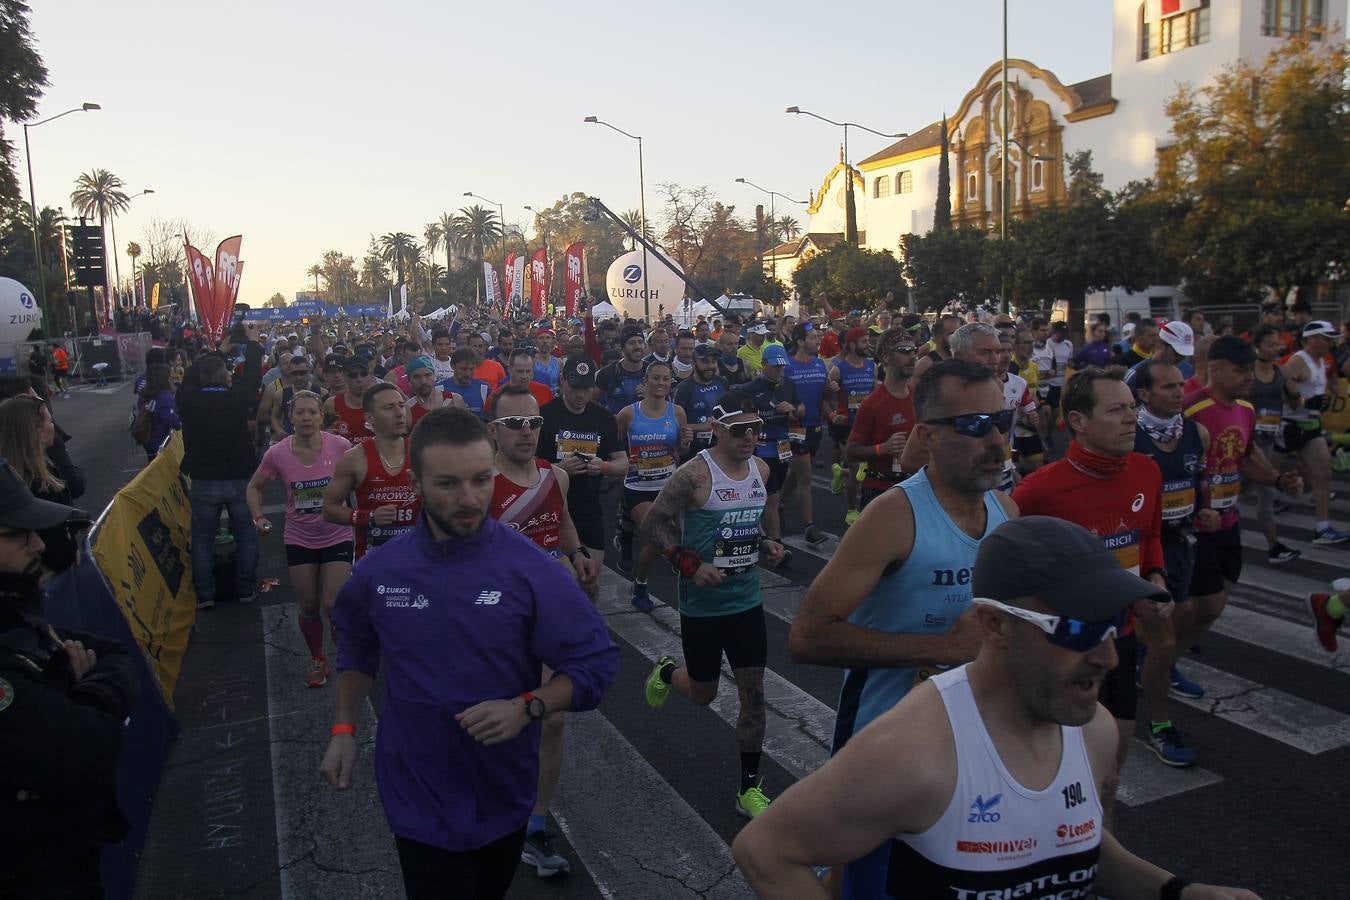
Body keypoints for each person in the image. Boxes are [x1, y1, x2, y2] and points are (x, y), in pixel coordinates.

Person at [736, 518, 1261, 900]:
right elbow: (766, 851)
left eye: (1112, 625)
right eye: (1076, 630)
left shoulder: (1094, 728)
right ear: (994, 626)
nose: (1107, 656)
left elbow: (1067, 846)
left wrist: (1179, 891)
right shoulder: (912, 753)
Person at [319, 407, 618, 900]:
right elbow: (357, 643)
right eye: (448, 484)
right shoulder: (379, 571)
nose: (470, 499)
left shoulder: (530, 569)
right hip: (417, 787)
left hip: (501, 789)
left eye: (482, 480)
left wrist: (528, 707)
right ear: (415, 483)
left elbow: (596, 664)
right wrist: (344, 728)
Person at [789, 359, 1016, 899]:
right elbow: (808, 637)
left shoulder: (1008, 512)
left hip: (972, 747)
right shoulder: (894, 517)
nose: (997, 439)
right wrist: (941, 648)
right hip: (883, 750)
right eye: (974, 425)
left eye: (1003, 420)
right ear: (929, 437)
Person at [1012, 368, 1170, 824]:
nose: (1131, 419)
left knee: (1109, 775)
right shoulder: (1040, 489)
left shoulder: (1146, 470)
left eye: (1132, 408)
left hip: (1118, 640)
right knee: (1052, 773)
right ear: (1078, 421)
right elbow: (1002, 561)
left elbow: (1150, 535)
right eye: (1117, 409)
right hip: (1061, 648)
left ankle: (1093, 860)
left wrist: (1155, 575)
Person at [640, 391, 785, 818]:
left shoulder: (761, 467)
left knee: (754, 695)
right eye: (740, 430)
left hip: (746, 600)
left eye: (756, 429)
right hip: (702, 604)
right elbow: (653, 524)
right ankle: (668, 670)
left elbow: (745, 521)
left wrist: (767, 544)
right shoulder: (693, 475)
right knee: (704, 694)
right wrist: (688, 563)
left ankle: (747, 788)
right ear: (718, 430)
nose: (750, 438)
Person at [0, 465, 139, 899]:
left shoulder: (14, 615)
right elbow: (87, 747)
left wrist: (73, 694)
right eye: (17, 533)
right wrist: (76, 689)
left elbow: (116, 655)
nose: (37, 543)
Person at [488, 385, 601, 879]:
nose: (526, 433)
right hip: (494, 620)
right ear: (493, 429)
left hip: (550, 613)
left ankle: (534, 825)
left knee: (551, 718)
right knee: (495, 722)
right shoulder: (479, 483)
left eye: (533, 424)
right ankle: (493, 812)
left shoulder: (555, 475)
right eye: (514, 424)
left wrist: (576, 555)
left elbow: (565, 523)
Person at [1179, 336, 1302, 700]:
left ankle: (1165, 653)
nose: (1249, 376)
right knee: (1207, 602)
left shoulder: (1245, 409)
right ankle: (1157, 656)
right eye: (1240, 370)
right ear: (1215, 369)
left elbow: (1246, 459)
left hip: (1229, 521)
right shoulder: (1190, 409)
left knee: (1215, 603)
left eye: (1250, 369)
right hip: (1195, 525)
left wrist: (1279, 479)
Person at [1131, 360, 1214, 767]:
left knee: (1170, 633)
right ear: (1144, 394)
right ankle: (1159, 726)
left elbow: (1199, 482)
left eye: (1180, 385)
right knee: (1161, 641)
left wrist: (1205, 511)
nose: (1179, 392)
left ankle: (1150, 670)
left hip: (1181, 545)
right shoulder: (1129, 436)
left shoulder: (1197, 433)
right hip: (1140, 552)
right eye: (1167, 387)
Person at [247, 391, 353, 687]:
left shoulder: (341, 446)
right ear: (290, 417)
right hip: (300, 537)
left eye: (312, 413)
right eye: (300, 413)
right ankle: (318, 657)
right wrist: (259, 517)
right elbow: (254, 487)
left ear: (322, 417)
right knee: (308, 605)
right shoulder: (278, 453)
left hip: (337, 533)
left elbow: (360, 479)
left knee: (333, 603)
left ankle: (344, 649)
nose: (306, 418)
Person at [179, 333, 263, 608]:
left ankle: (205, 595)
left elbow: (188, 381)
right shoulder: (237, 396)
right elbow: (253, 375)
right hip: (238, 476)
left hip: (204, 478)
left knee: (202, 537)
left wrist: (216, 353)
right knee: (246, 533)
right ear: (226, 377)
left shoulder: (189, 399)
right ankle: (246, 589)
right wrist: (250, 343)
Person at [536, 356, 628, 564]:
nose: (580, 394)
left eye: (586, 388)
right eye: (575, 387)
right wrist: (558, 469)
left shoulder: (603, 418)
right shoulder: (544, 416)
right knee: (561, 581)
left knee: (590, 582)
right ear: (562, 381)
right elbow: (524, 468)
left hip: (590, 509)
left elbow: (623, 464)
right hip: (551, 512)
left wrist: (603, 466)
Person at [617, 360, 690, 607]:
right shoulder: (628, 413)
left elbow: (680, 450)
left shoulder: (677, 412)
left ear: (671, 383)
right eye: (656, 378)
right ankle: (641, 585)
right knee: (659, 535)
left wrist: (686, 442)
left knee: (677, 535)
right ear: (645, 382)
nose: (661, 383)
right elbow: (615, 448)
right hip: (638, 489)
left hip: (668, 486)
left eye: (666, 379)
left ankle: (640, 580)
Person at [322, 383, 421, 563]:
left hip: (416, 558)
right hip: (372, 560)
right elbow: (329, 509)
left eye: (401, 405)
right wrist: (368, 517)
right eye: (389, 408)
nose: (399, 413)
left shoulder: (420, 452)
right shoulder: (354, 458)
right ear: (370, 417)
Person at [1277, 320, 1350, 544]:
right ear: (1311, 339)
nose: (1330, 342)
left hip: (1311, 427)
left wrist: (1321, 402)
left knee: (1324, 474)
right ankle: (1224, 507)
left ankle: (1323, 528)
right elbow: (1280, 390)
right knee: (1259, 477)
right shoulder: (1299, 360)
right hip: (1289, 427)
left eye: (1331, 338)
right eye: (1326, 338)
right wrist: (1306, 402)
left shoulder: (1323, 361)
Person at [0, 396, 84, 574]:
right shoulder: (37, 483)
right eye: (50, 421)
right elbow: (57, 549)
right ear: (37, 432)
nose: (53, 426)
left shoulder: (13, 478)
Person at [846, 327, 919, 514]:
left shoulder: (919, 398)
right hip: (880, 489)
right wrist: (882, 448)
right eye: (904, 351)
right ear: (886, 357)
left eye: (914, 350)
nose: (912, 356)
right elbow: (852, 452)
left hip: (913, 486)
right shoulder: (872, 404)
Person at [1248, 326, 1303, 564]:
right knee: (1243, 490)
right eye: (1270, 344)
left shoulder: (1281, 370)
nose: (1275, 348)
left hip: (1268, 438)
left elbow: (1296, 403)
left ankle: (1274, 546)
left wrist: (1293, 392)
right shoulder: (1247, 371)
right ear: (1257, 346)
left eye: (1277, 344)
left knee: (1265, 491)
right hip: (1246, 439)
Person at [745, 344, 803, 554]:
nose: (780, 371)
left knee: (773, 494)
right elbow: (739, 408)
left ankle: (763, 529)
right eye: (776, 366)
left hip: (783, 446)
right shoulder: (752, 388)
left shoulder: (789, 384)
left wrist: (795, 410)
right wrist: (768, 409)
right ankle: (776, 542)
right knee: (772, 497)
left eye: (783, 366)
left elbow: (800, 407)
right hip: (761, 447)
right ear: (764, 365)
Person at [783, 323, 829, 543]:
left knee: (798, 472)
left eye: (818, 337)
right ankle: (809, 527)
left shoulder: (820, 364)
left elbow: (825, 393)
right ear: (800, 341)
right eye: (812, 337)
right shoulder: (787, 366)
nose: (817, 341)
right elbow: (778, 394)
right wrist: (790, 409)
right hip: (795, 428)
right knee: (806, 476)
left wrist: (832, 397)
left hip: (815, 427)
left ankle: (780, 501)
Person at [826, 327, 876, 523]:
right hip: (846, 425)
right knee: (858, 470)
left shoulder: (872, 366)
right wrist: (832, 414)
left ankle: (840, 472)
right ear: (853, 345)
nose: (868, 345)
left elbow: (875, 394)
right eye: (864, 342)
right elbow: (824, 396)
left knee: (867, 470)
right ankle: (852, 510)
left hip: (867, 424)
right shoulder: (838, 369)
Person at [673, 343, 729, 461]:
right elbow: (674, 425)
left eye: (713, 361)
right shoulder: (684, 389)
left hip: (721, 448)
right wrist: (701, 427)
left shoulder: (723, 383)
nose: (710, 366)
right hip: (693, 451)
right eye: (705, 361)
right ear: (693, 363)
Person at [1123, 321, 1194, 395]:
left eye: (1185, 354)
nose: (1181, 357)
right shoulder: (1136, 375)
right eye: (1177, 352)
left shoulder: (1188, 369)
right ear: (1161, 343)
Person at [326, 356, 378, 445]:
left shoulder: (379, 402)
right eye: (353, 375)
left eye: (363, 374)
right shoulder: (332, 404)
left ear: (370, 375)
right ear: (344, 376)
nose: (359, 379)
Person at [595, 325, 647, 414]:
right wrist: (604, 416)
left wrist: (652, 396)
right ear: (622, 347)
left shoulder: (652, 371)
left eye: (640, 342)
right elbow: (592, 401)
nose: (637, 346)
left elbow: (666, 404)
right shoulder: (608, 373)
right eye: (632, 343)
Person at [135, 363, 180, 461]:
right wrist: (180, 424)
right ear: (165, 378)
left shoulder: (143, 395)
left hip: (147, 437)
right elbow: (169, 418)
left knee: (152, 463)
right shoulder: (165, 396)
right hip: (162, 441)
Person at [404, 355, 463, 428]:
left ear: (435, 376)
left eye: (428, 375)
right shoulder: (408, 409)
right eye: (417, 377)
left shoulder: (455, 399)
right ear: (409, 381)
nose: (423, 381)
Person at [488, 349, 554, 412]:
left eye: (528, 371)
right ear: (509, 370)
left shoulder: (545, 392)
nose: (524, 376)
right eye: (520, 371)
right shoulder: (495, 397)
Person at [443, 347, 491, 419]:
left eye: (472, 369)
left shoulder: (484, 389)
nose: (468, 374)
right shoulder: (439, 389)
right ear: (452, 366)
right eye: (463, 369)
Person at [911, 313, 959, 380]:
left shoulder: (962, 360)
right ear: (938, 337)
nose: (957, 338)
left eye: (958, 334)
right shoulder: (925, 364)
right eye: (952, 334)